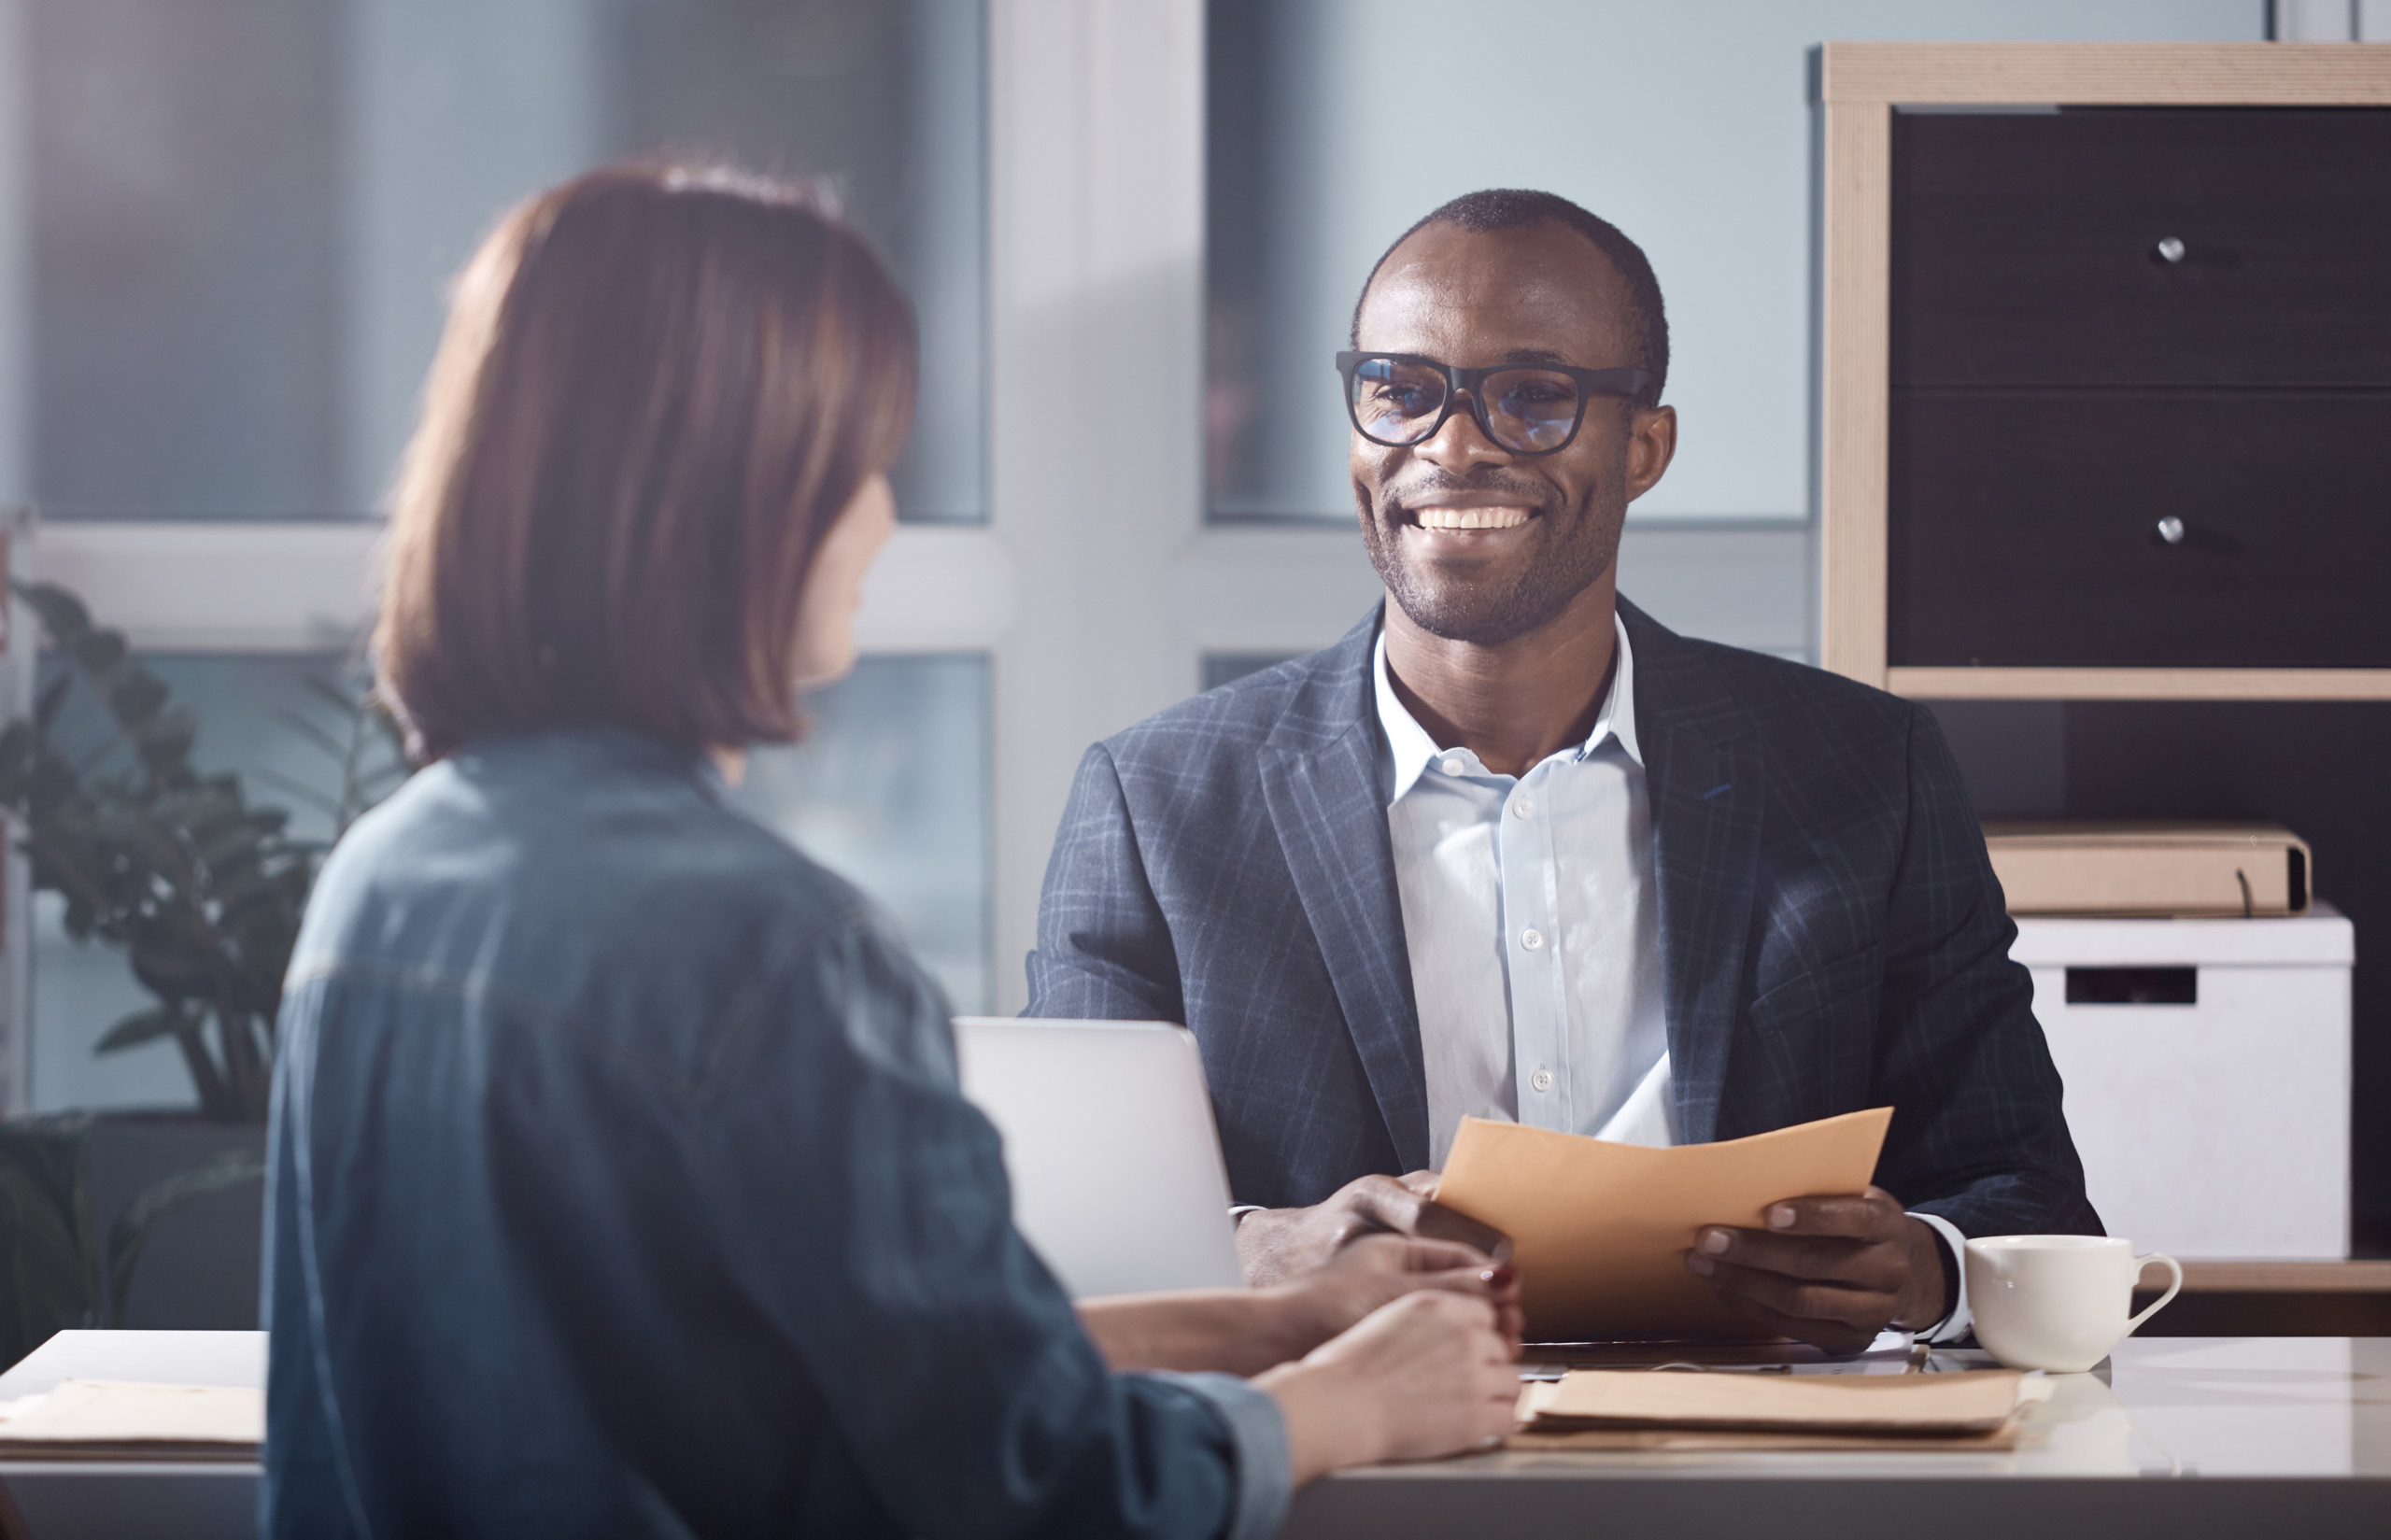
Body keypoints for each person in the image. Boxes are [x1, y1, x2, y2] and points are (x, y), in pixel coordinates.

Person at [262, 165, 1523, 1539]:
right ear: (728, 506)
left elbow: (767, 1372)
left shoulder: (380, 882)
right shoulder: (765, 950)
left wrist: (1269, 1323)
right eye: (856, 468)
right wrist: (1350, 1405)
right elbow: (1030, 1482)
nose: (879, 525)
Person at [1028, 188, 2100, 1355]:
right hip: (1356, 1478)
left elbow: (2029, 1199)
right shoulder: (1158, 804)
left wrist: (1916, 1270)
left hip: (1754, 1467)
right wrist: (1247, 1249)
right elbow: (1063, 1248)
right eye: (1400, 390)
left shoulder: (1863, 772)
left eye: (1531, 396)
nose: (1450, 445)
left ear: (1643, 448)